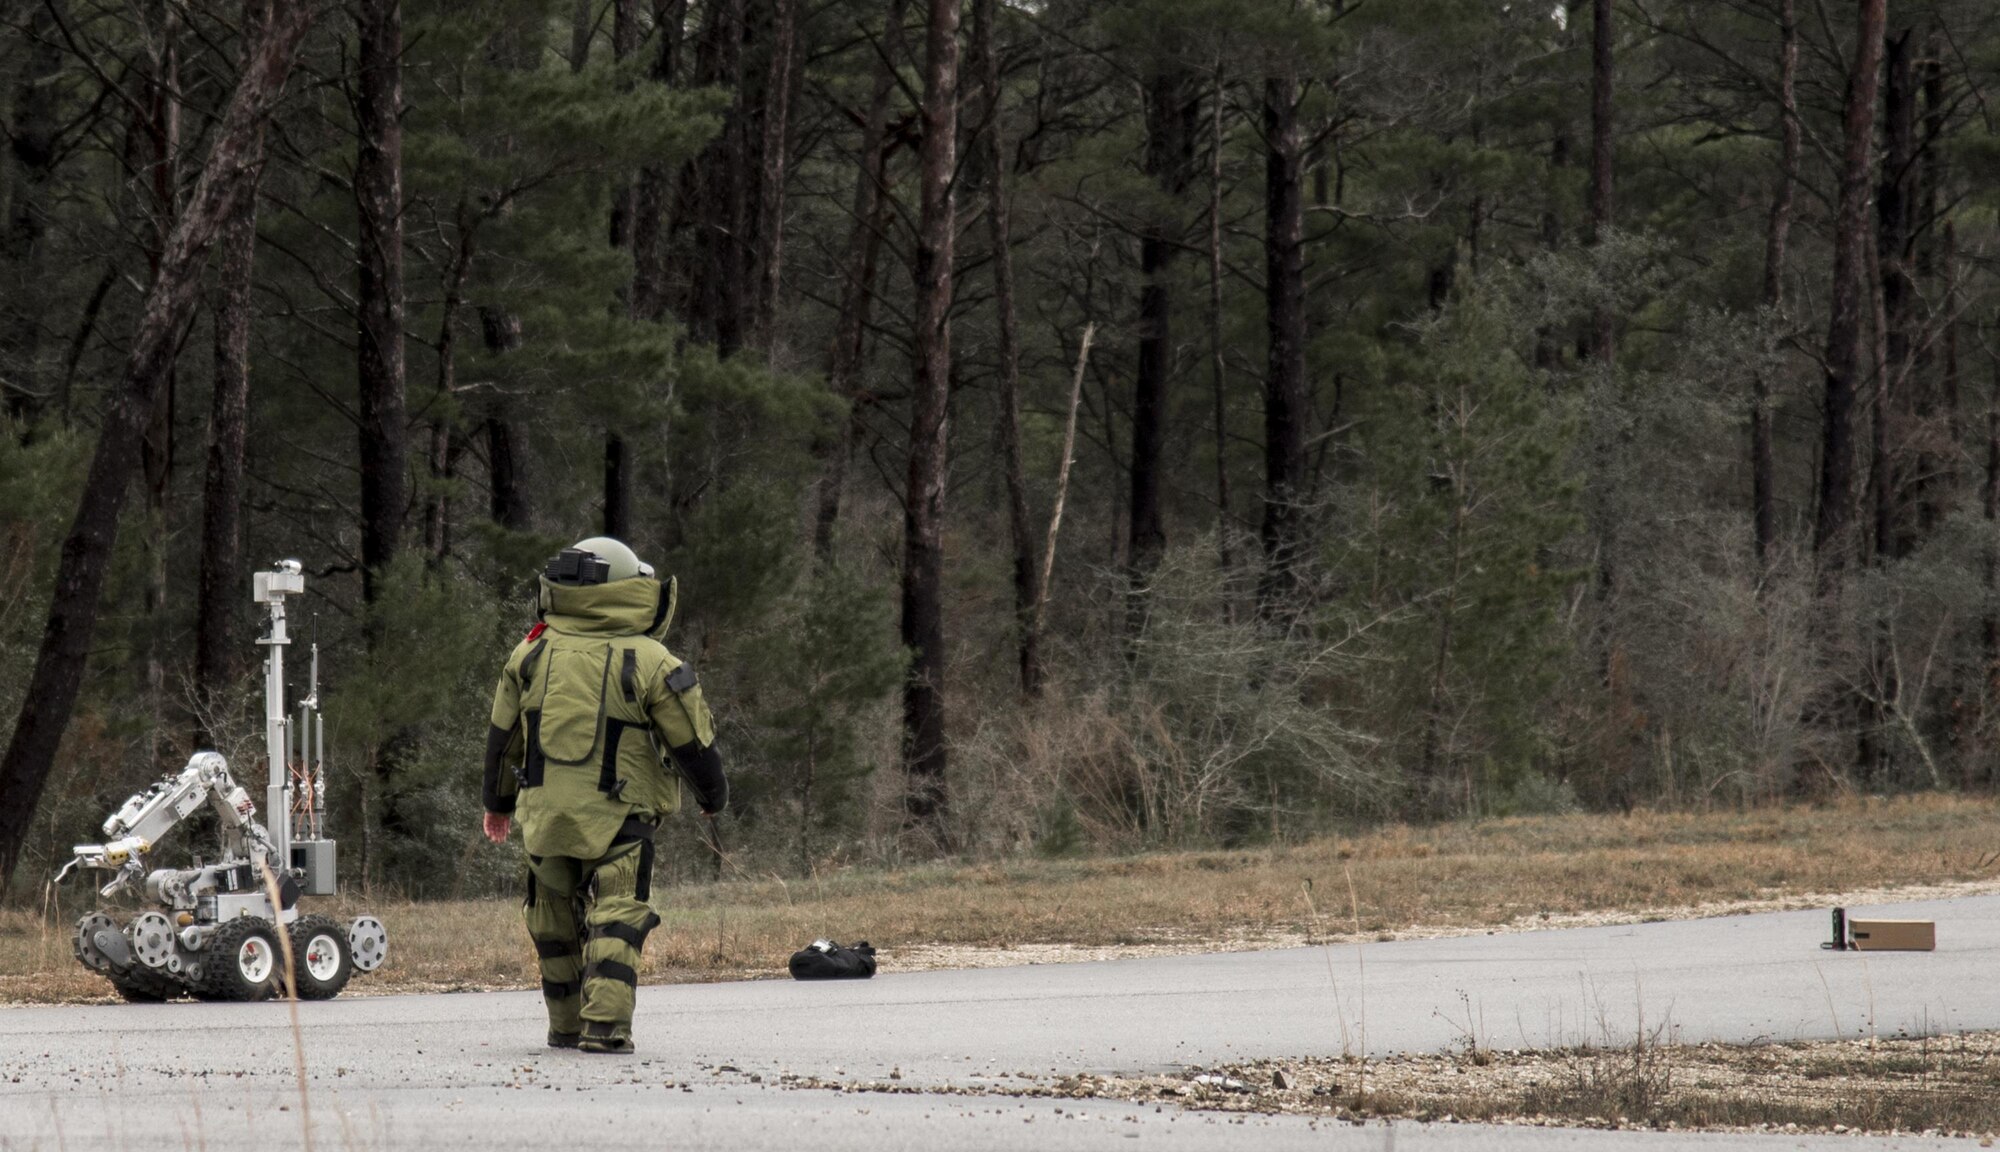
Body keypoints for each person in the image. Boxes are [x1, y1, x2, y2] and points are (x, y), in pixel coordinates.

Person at [481, 537, 727, 1054]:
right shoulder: (652, 659)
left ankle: (565, 1028)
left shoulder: (529, 652)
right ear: (629, 590)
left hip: (545, 817)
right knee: (618, 913)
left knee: (552, 920)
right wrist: (713, 795)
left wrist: (497, 806)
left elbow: (503, 742)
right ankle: (604, 1029)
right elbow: (692, 742)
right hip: (623, 820)